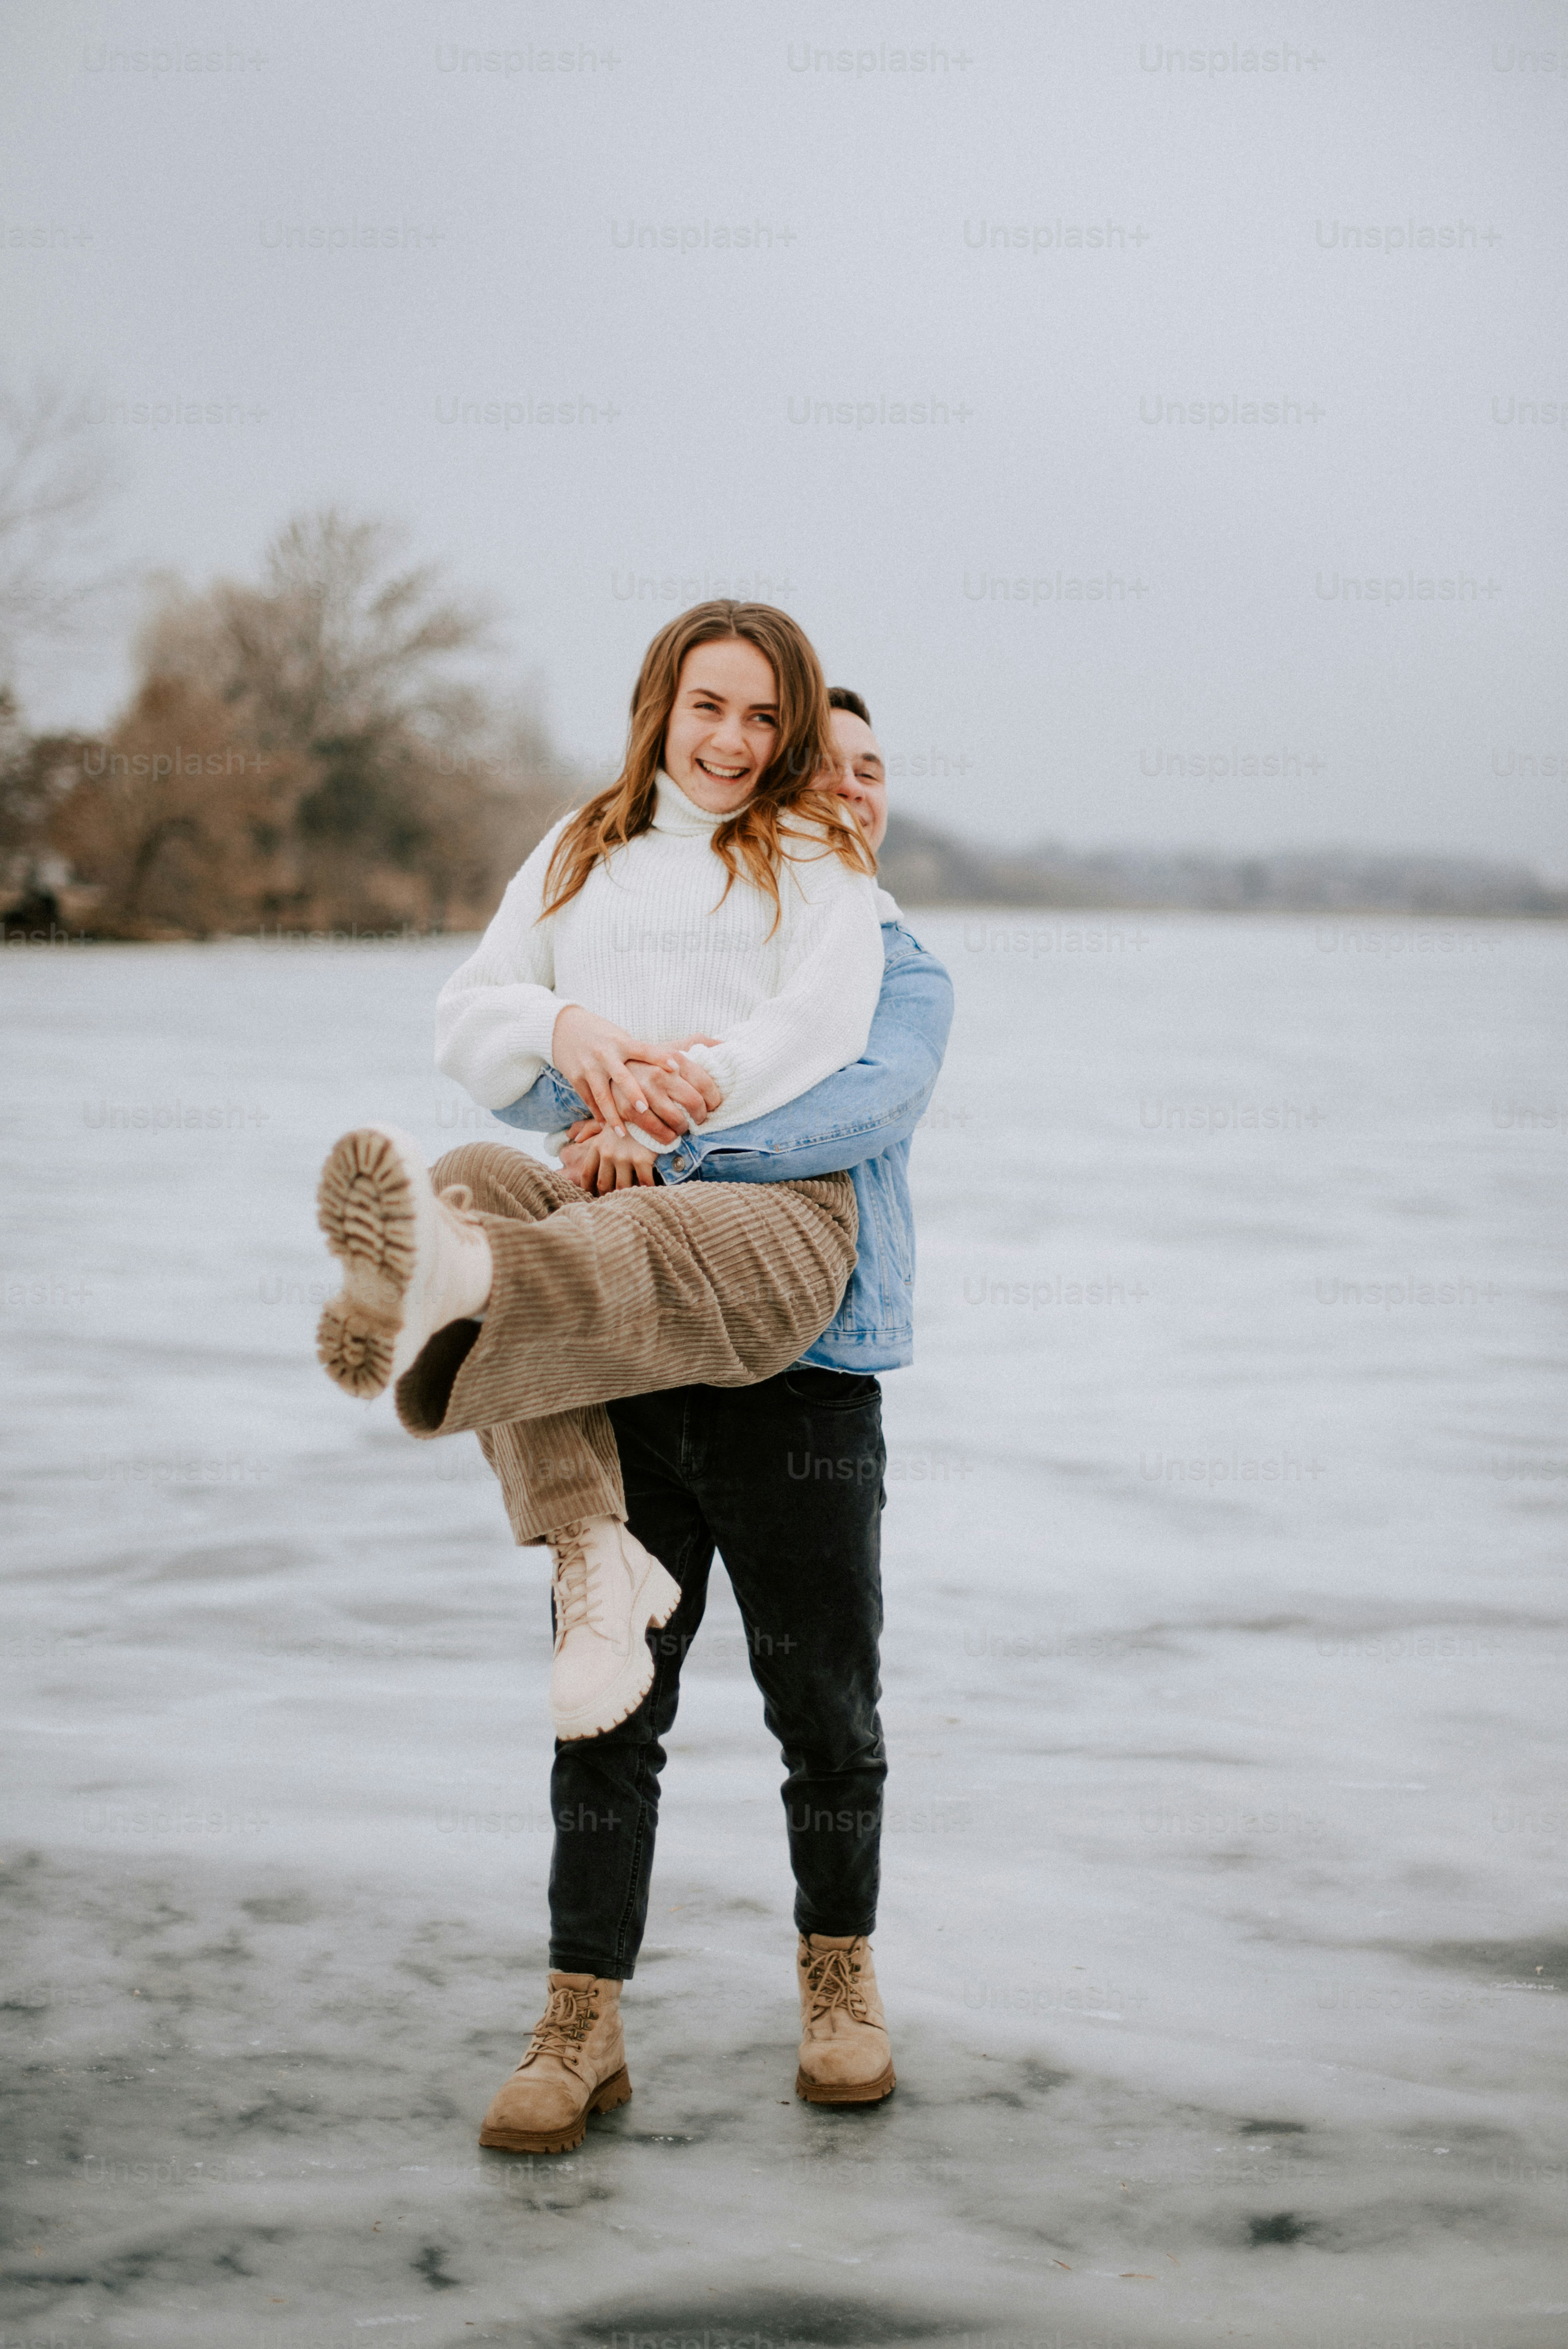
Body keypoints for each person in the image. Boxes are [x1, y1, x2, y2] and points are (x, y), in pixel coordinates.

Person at [466, 687, 953, 2151]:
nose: (849, 794)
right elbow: (554, 1082)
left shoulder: (901, 966)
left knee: (825, 1705)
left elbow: (863, 1107)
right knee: (609, 1700)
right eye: (825, 772)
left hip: (808, 1372)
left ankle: (839, 1985)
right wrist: (599, 1082)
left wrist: (670, 1138)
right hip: (637, 1357)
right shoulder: (702, 935)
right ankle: (581, 2019)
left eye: (873, 771)